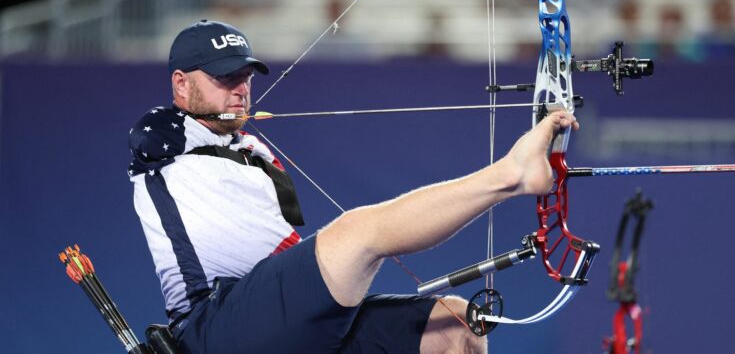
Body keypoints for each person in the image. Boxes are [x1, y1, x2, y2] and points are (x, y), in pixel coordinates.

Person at [128, 19, 578, 354]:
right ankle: (512, 174)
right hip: (214, 328)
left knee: (457, 328)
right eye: (223, 78)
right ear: (181, 85)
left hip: (286, 321)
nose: (241, 89)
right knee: (357, 233)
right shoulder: (166, 142)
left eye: (244, 77)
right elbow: (152, 133)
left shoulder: (250, 152)